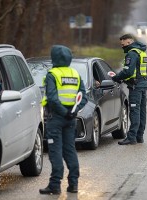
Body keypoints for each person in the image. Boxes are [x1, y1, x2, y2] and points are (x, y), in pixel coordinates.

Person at [39, 45, 88, 195]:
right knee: (70, 151)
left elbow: (52, 99)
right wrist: (73, 112)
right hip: (71, 119)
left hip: (56, 118)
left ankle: (55, 185)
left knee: (55, 151)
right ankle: (73, 184)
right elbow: (84, 97)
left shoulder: (52, 74)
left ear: (54, 58)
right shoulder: (75, 74)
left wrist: (64, 112)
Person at [111, 33, 147, 145]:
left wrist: (116, 77)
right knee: (142, 111)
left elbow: (128, 71)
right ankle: (139, 136)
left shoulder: (132, 54)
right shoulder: (141, 52)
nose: (122, 46)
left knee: (134, 111)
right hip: (143, 84)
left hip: (136, 87)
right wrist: (125, 79)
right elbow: (137, 72)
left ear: (129, 42)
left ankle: (131, 137)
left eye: (123, 44)